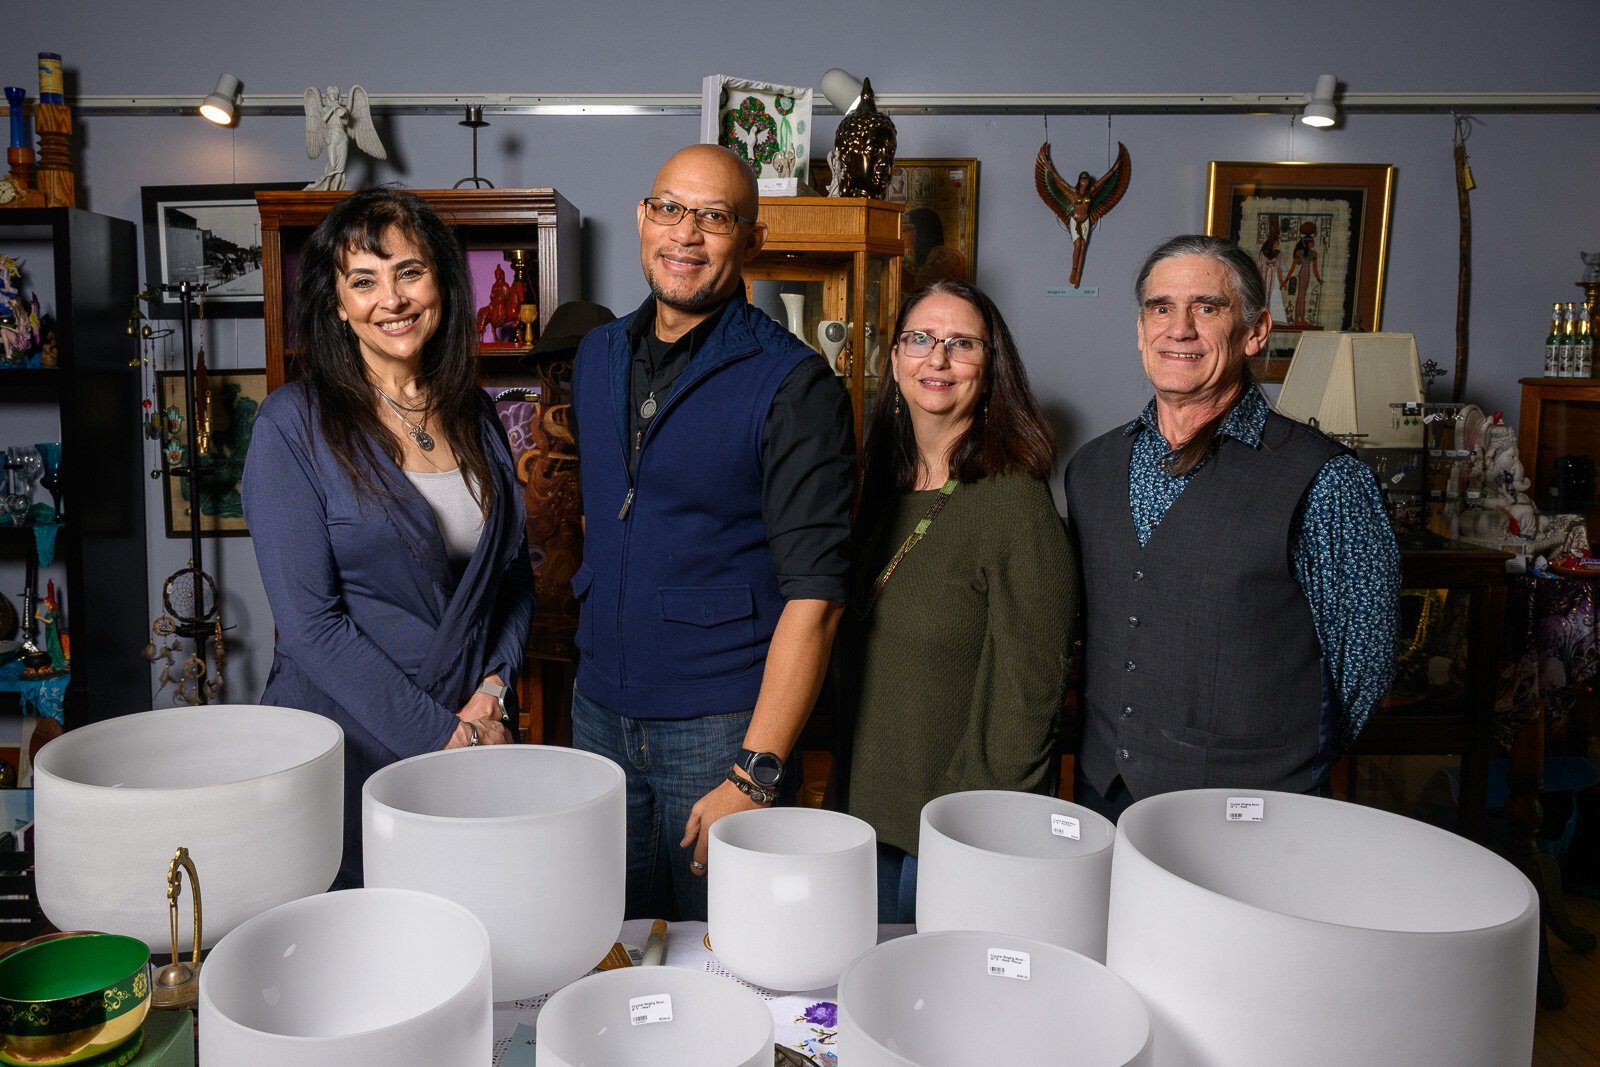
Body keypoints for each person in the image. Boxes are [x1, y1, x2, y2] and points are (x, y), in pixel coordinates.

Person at [569, 145, 856, 921]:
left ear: (750, 240)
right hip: (597, 711)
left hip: (720, 727)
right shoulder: (594, 356)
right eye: (669, 208)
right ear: (641, 217)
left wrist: (754, 774)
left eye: (715, 216)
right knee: (607, 941)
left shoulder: (795, 386)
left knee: (718, 950)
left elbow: (818, 599)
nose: (685, 234)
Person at [244, 189, 534, 887]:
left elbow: (512, 574)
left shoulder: (474, 414)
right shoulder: (293, 425)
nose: (392, 299)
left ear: (440, 282)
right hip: (345, 741)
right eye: (364, 281)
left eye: (409, 271)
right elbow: (311, 627)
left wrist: (492, 691)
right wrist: (445, 736)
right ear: (338, 303)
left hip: (466, 729)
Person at [1064, 234, 1399, 821]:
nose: (1180, 328)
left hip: (1252, 808)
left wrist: (1284, 763)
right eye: (1160, 307)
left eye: (1207, 307)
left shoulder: (1326, 479)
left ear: (1256, 330)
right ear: (1141, 330)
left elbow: (1362, 665)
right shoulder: (1091, 469)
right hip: (1106, 792)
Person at [837, 280, 1076, 923]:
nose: (936, 359)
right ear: (894, 359)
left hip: (951, 832)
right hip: (863, 811)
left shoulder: (1013, 503)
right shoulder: (875, 491)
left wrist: (977, 832)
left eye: (961, 344)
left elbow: (1032, 694)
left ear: (992, 367)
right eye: (920, 339)